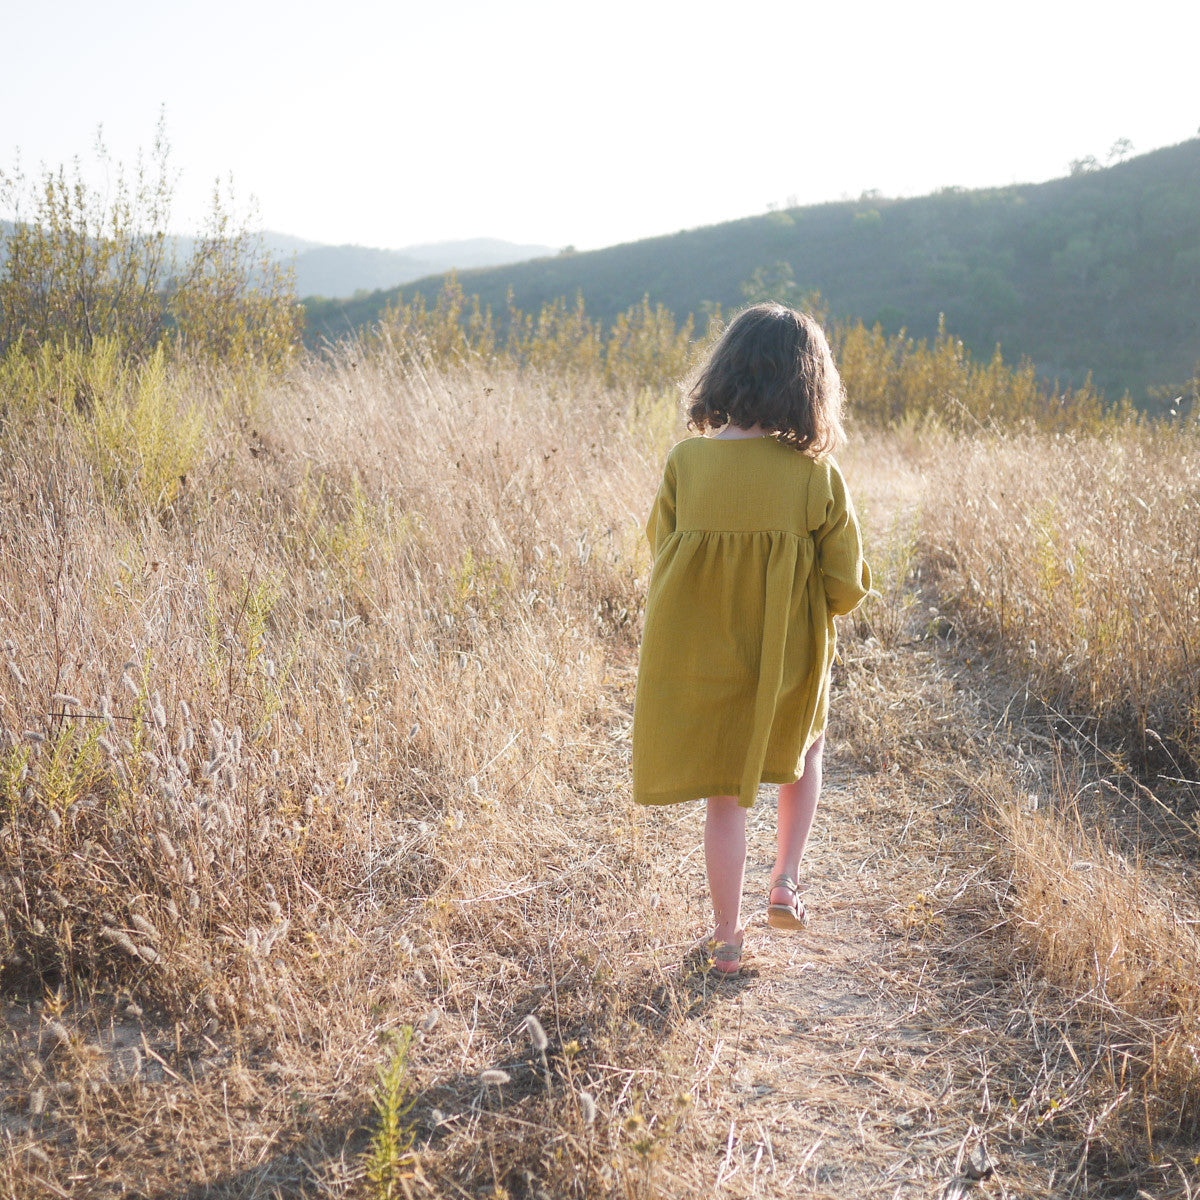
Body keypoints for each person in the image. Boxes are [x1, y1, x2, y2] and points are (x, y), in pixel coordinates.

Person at [631, 302, 872, 976]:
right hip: (788, 657)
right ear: (808, 386)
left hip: (704, 655)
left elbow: (663, 552)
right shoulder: (815, 477)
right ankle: (786, 882)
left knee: (724, 795)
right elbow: (845, 584)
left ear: (726, 373)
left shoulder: (688, 463)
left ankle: (727, 936)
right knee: (806, 747)